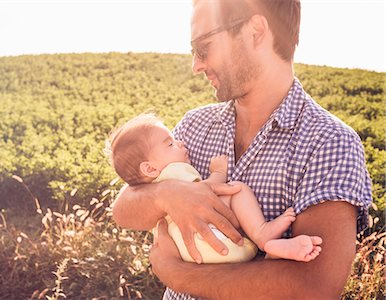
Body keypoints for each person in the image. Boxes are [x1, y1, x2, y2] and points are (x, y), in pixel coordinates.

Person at [112, 0, 372, 298]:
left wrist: (177, 274)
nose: (196, 65)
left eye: (203, 46)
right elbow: (123, 210)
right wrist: (166, 194)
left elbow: (313, 286)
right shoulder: (194, 125)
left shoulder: (330, 142)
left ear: (256, 31)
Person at [107, 114, 322, 263]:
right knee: (237, 190)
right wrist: (218, 172)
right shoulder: (175, 172)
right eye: (170, 144)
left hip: (193, 256)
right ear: (150, 168)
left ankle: (272, 253)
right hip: (215, 244)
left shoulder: (150, 184)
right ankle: (263, 235)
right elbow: (205, 192)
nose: (181, 143)